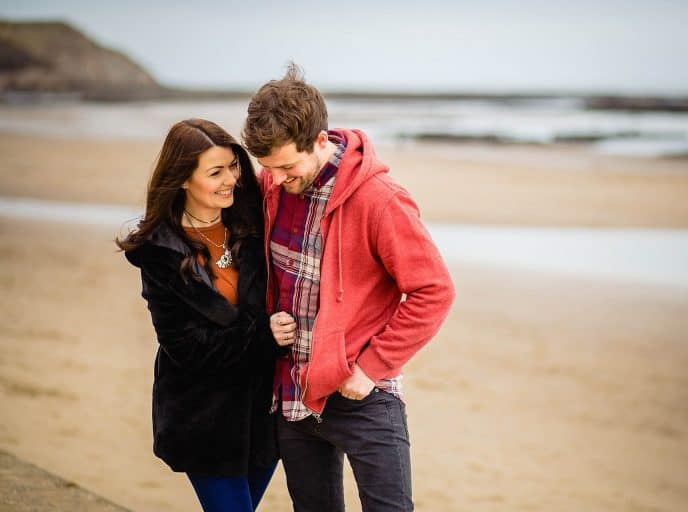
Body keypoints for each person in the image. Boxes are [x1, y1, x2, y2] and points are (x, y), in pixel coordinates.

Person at [244, 64, 456, 512]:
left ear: (320, 141)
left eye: (286, 166)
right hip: (293, 395)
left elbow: (433, 290)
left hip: (363, 395)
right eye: (268, 167)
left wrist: (371, 367)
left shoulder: (379, 199)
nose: (277, 179)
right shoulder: (272, 184)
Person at [117, 118, 294, 512]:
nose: (230, 179)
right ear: (183, 178)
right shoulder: (159, 252)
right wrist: (264, 338)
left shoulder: (252, 223)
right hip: (205, 420)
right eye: (215, 172)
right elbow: (187, 348)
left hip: (262, 417)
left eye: (233, 166)